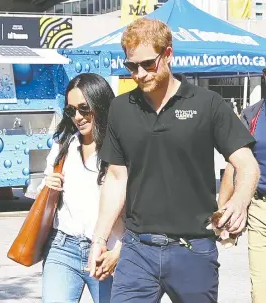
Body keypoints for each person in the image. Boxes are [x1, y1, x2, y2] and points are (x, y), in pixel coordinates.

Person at [88, 18, 260, 303]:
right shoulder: (120, 108)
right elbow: (116, 179)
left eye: (148, 64)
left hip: (193, 249)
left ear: (168, 54)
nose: (139, 74)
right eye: (132, 66)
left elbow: (247, 164)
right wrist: (99, 239)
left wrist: (239, 201)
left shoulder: (207, 103)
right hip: (137, 251)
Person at [38, 73, 124, 303]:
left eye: (84, 108)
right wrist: (49, 186)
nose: (77, 117)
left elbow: (140, 205)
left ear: (101, 105)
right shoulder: (64, 144)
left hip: (108, 252)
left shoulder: (122, 147)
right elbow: (42, 194)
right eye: (71, 110)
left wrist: (120, 251)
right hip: (62, 247)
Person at [219, 69, 266, 303]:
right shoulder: (252, 115)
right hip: (260, 209)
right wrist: (223, 213)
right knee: (261, 292)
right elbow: (233, 165)